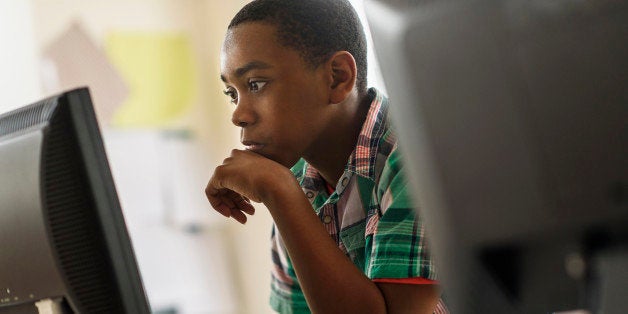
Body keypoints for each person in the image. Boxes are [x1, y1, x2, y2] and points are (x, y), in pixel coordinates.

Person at [205, 0, 447, 313]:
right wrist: (284, 193)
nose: (238, 114)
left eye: (256, 83)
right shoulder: (295, 186)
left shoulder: (414, 160)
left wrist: (281, 194)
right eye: (232, 93)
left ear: (337, 77)